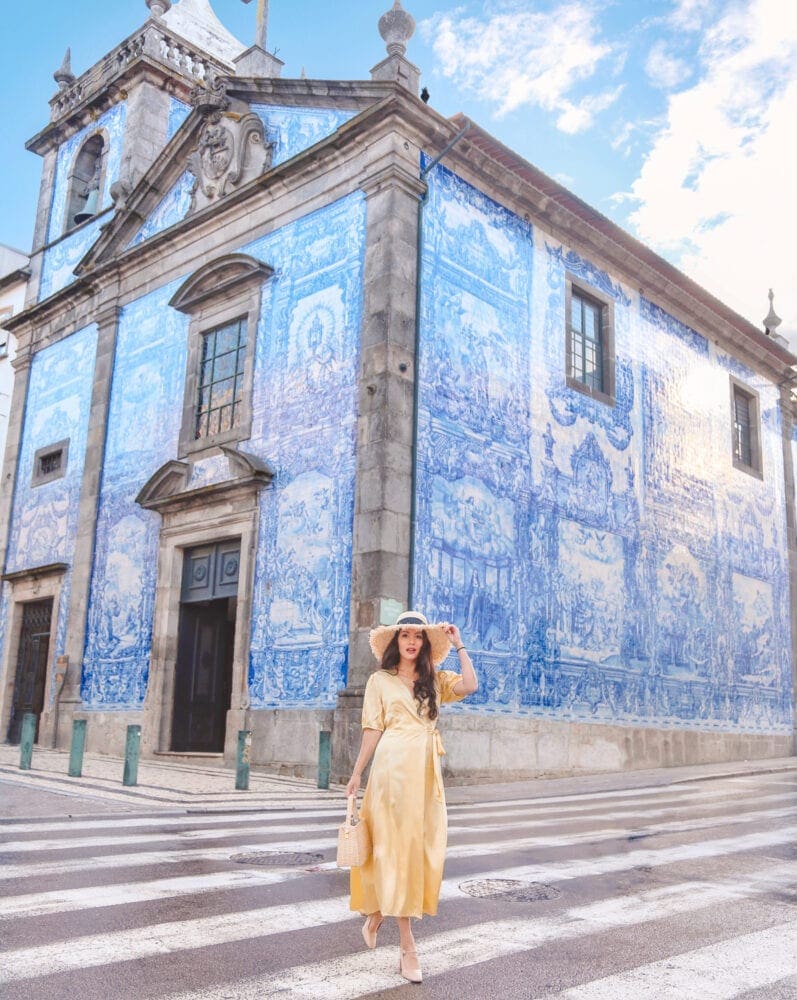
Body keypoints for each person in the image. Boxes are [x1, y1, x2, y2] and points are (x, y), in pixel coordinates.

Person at [346, 611, 478, 983]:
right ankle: (408, 946)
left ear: (422, 644)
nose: (410, 641)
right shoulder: (380, 681)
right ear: (395, 641)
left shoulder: (435, 680)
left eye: (416, 636)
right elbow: (373, 729)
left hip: (424, 773)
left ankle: (377, 914)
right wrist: (356, 774)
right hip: (391, 773)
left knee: (420, 850)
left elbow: (471, 685)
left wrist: (459, 644)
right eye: (404, 634)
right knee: (395, 849)